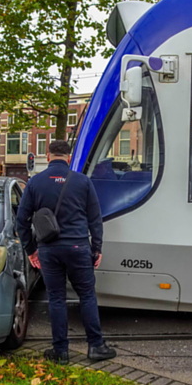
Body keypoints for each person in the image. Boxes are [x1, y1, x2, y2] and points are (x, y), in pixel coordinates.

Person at [16, 140, 116, 364]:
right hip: (78, 247)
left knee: (56, 299)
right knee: (87, 296)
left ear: (47, 156)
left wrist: (31, 251)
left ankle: (60, 352)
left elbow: (21, 221)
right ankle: (96, 346)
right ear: (69, 158)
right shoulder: (82, 181)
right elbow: (94, 219)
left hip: (49, 250)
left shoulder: (34, 183)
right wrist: (96, 248)